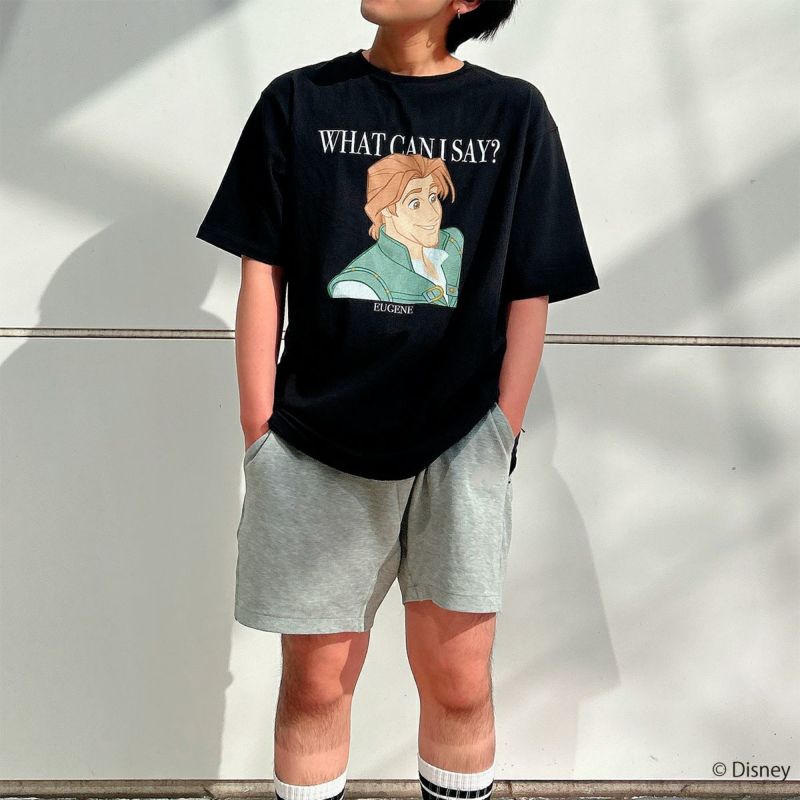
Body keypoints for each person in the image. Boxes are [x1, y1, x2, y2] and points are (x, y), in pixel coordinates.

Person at [196, 0, 600, 797]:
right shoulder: (298, 101)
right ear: (382, 215)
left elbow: (531, 284)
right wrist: (258, 427)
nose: (431, 214)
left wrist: (502, 426)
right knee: (316, 686)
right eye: (413, 203)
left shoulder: (513, 114)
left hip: (461, 441)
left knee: (460, 682)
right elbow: (261, 268)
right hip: (314, 441)